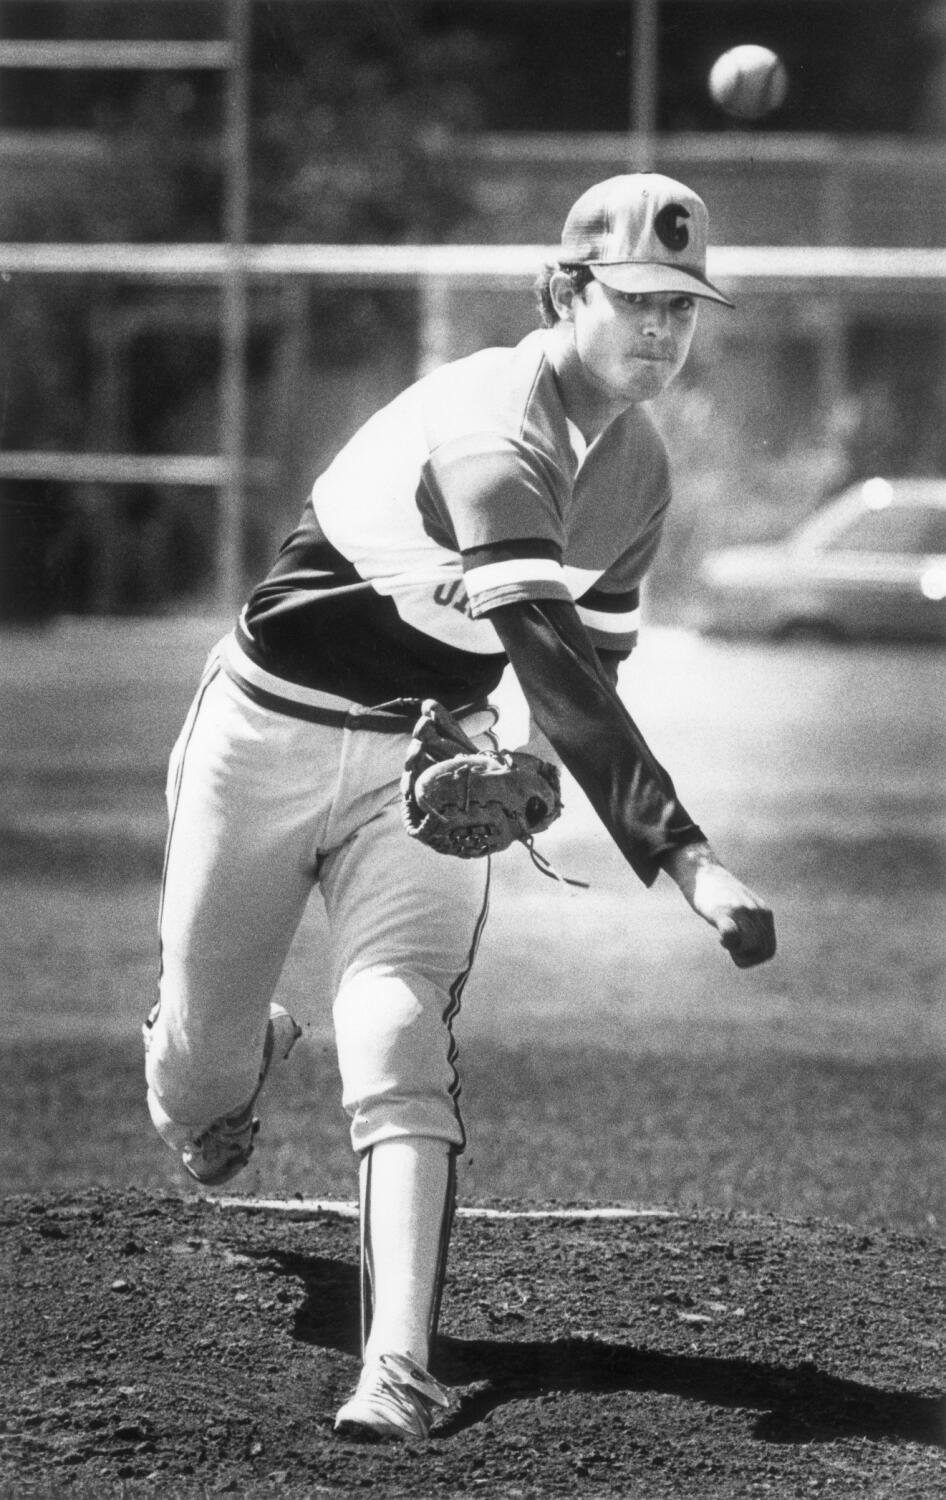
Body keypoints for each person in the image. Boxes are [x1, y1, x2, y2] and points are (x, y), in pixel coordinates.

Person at [143, 173, 776, 1443]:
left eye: (680, 309)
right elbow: (549, 654)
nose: (659, 330)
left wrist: (530, 767)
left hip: (423, 768)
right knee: (198, 1083)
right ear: (565, 290)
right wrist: (689, 861)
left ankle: (398, 1364)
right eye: (634, 300)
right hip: (259, 740)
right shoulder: (488, 429)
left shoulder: (637, 470)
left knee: (394, 1030)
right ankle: (232, 1057)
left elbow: (578, 681)